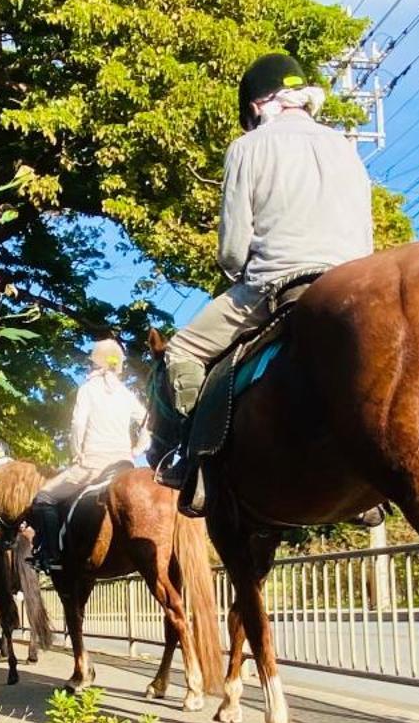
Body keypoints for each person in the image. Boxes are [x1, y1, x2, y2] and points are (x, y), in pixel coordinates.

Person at [153, 52, 375, 491]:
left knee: (182, 352)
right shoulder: (345, 147)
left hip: (277, 284)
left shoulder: (247, 147)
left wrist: (241, 270)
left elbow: (233, 251)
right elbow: (365, 241)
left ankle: (194, 465)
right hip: (353, 287)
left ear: (256, 106)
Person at [29, 338, 148, 574]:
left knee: (44, 497)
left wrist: (76, 452)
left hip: (93, 464)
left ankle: (52, 556)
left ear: (96, 364)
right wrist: (139, 447)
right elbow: (147, 419)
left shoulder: (88, 390)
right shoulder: (126, 394)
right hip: (125, 465)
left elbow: (77, 424)